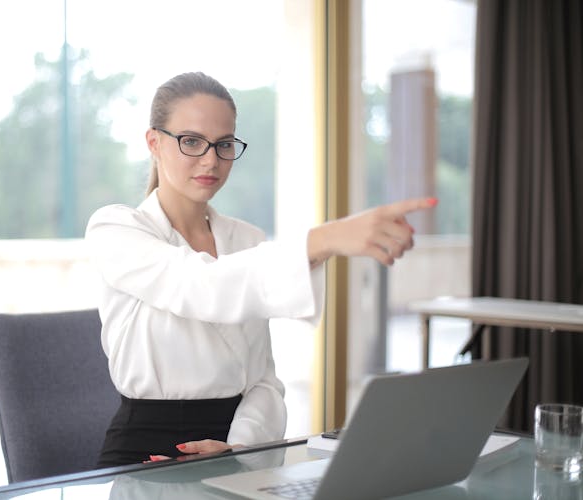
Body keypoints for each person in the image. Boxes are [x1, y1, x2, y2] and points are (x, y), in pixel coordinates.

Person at [85, 71, 437, 468]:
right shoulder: (116, 228)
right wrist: (326, 239)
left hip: (232, 451)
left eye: (223, 144)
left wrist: (240, 448)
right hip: (145, 453)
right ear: (154, 142)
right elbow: (200, 285)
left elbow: (264, 382)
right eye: (192, 141)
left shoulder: (246, 240)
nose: (210, 160)